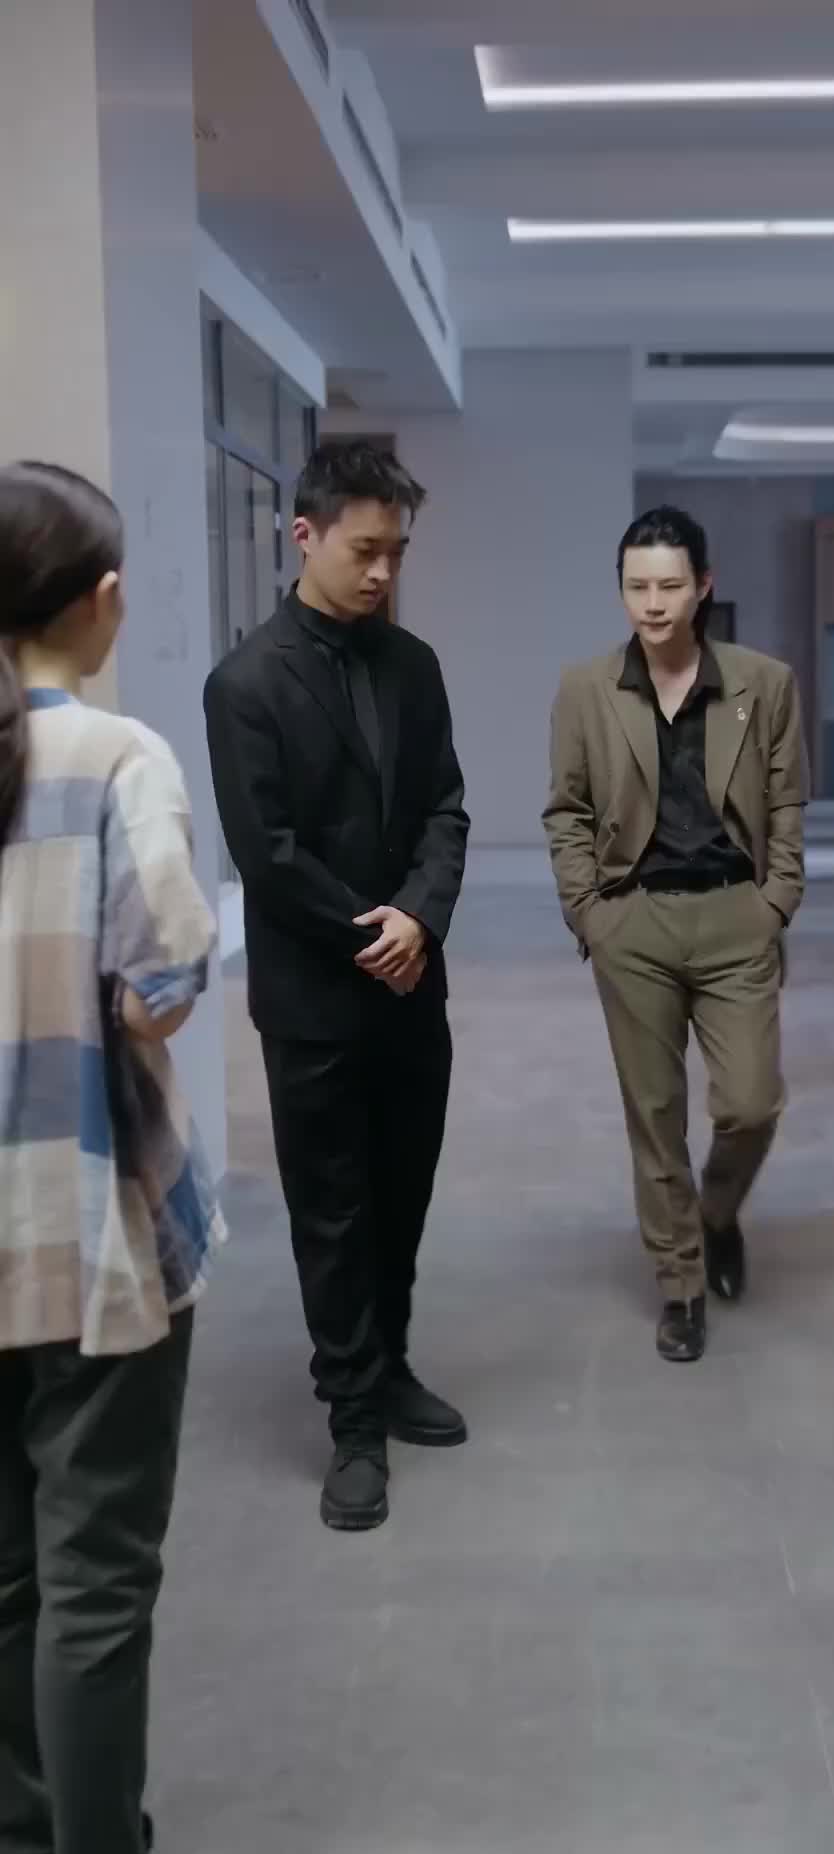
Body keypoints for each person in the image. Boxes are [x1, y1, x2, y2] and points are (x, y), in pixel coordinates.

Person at [0, 463, 263, 1854]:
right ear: (100, 603)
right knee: (93, 1585)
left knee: (4, 1582)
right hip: (88, 1237)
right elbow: (163, 977)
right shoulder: (114, 758)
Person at [204, 441, 469, 1533]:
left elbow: (446, 807)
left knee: (401, 1199)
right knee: (332, 1214)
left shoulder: (414, 665)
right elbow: (266, 856)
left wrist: (422, 917)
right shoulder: (245, 684)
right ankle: (353, 1421)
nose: (382, 571)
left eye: (395, 551)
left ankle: (389, 1366)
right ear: (303, 535)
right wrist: (377, 930)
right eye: (364, 550)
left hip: (412, 989)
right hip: (315, 999)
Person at [543, 506, 806, 1362]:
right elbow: (567, 810)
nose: (652, 604)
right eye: (636, 587)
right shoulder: (586, 688)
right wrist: (590, 913)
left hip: (736, 913)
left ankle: (716, 1212)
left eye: (669, 586)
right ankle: (680, 1284)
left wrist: (775, 902)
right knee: (655, 1114)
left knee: (751, 1104)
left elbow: (789, 802)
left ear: (703, 586)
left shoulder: (764, 683)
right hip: (635, 918)